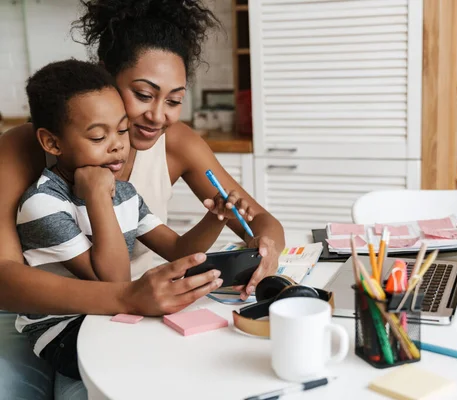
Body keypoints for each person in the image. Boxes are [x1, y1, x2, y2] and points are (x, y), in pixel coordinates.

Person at [0, 0, 285, 398]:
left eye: (173, 100)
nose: (158, 116)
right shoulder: (24, 149)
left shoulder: (176, 144)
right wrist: (126, 296)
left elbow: (260, 222)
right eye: (143, 94)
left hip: (146, 310)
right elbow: (5, 278)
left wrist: (267, 248)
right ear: (107, 80)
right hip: (63, 315)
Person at [17, 58, 258, 381]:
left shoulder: (124, 192)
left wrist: (215, 217)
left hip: (109, 314)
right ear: (52, 143)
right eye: (98, 137)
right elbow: (114, 280)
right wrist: (99, 198)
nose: (118, 145)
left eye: (121, 130)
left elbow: (178, 249)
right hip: (63, 330)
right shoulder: (43, 203)